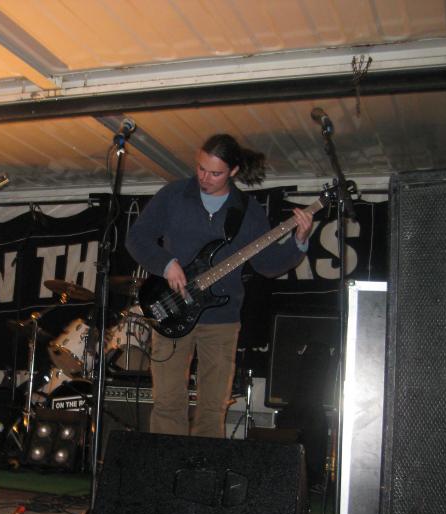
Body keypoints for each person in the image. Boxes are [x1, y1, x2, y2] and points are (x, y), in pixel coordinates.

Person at [126, 134, 313, 438]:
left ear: (234, 171)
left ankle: (204, 466)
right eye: (200, 168)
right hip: (171, 309)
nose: (204, 178)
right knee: (167, 402)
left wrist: (299, 242)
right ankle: (165, 463)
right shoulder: (174, 195)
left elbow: (267, 264)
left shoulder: (248, 210)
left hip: (222, 319)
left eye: (215, 173)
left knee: (213, 408)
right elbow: (137, 238)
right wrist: (166, 263)